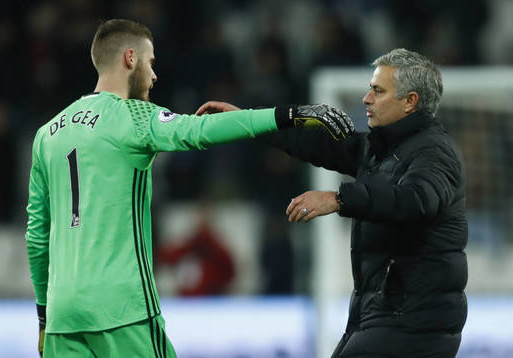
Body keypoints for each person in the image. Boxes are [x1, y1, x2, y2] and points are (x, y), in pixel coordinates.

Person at [25, 19, 354, 358]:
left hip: (63, 316)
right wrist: (289, 115)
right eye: (150, 62)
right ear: (129, 58)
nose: (154, 76)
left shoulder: (46, 135)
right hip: (121, 311)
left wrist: (43, 315)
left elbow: (37, 237)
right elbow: (197, 131)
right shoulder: (133, 116)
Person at [197, 48, 467, 357]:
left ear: (410, 101)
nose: (366, 98)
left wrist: (338, 199)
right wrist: (247, 120)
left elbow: (416, 200)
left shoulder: (434, 151)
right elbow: (316, 144)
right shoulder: (380, 149)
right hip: (382, 314)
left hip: (414, 321)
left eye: (378, 91)